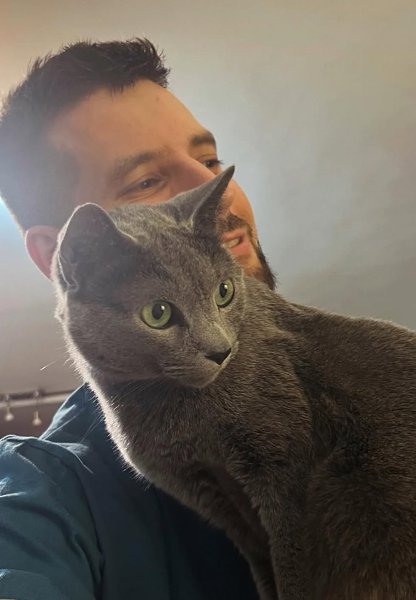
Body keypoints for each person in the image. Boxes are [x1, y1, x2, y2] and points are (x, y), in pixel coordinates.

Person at [0, 39, 276, 599]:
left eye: (209, 161)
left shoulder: (369, 378)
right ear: (70, 257)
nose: (216, 193)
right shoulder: (48, 492)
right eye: (146, 181)